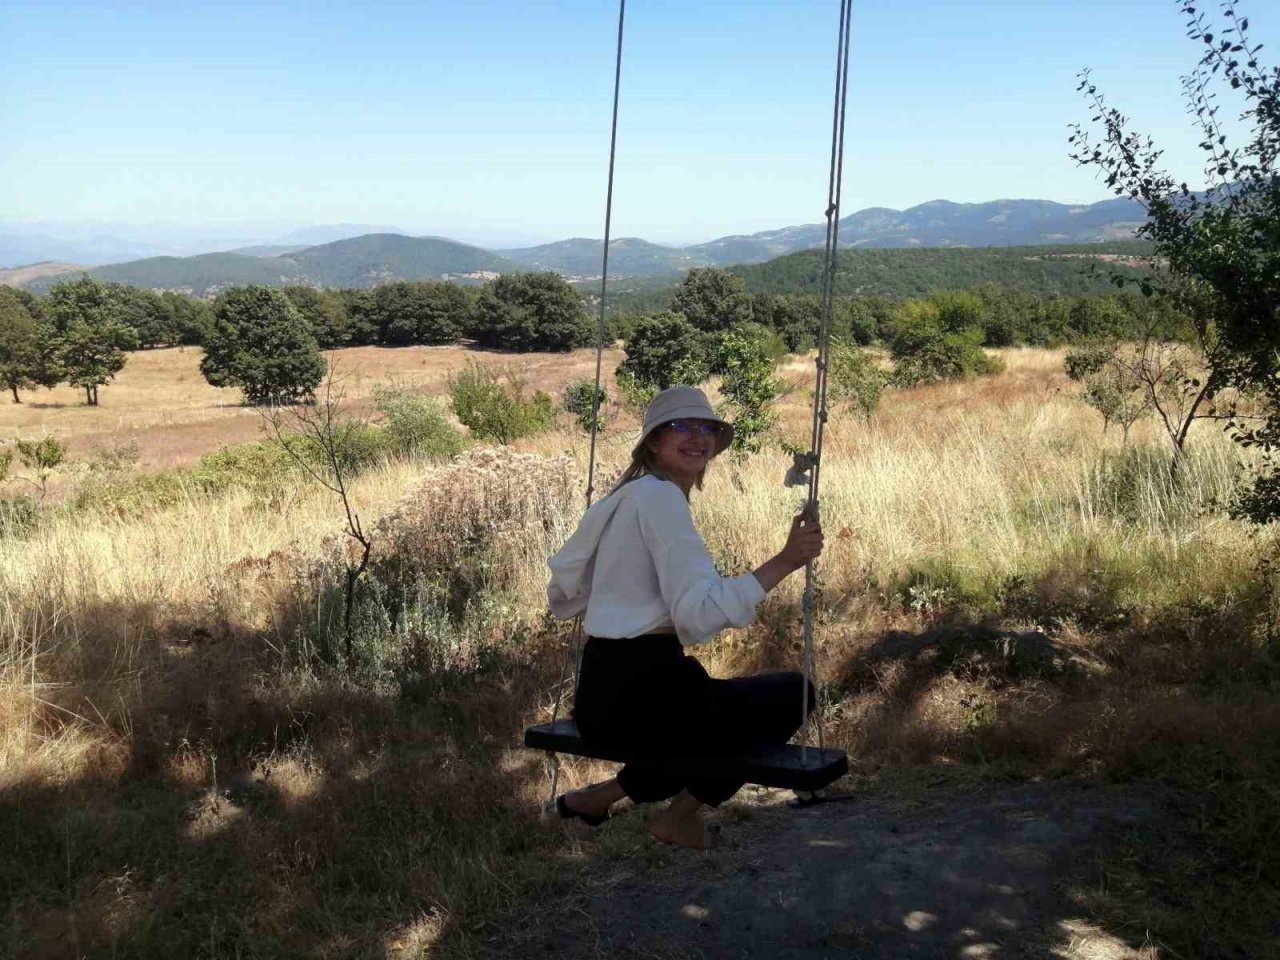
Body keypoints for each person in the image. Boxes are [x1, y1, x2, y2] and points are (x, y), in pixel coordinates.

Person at [546, 385, 825, 849]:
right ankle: (677, 818)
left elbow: (568, 594)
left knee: (716, 717)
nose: (698, 437)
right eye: (682, 426)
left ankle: (599, 797)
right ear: (654, 441)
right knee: (792, 696)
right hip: (648, 698)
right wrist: (785, 561)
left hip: (600, 695)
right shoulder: (660, 500)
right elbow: (697, 615)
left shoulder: (628, 497)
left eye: (706, 428)